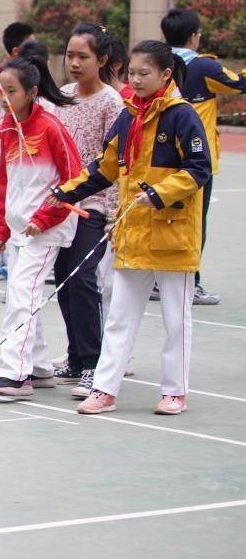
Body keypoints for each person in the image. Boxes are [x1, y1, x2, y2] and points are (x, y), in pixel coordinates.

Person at [53, 41, 210, 417]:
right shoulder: (129, 116)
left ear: (165, 75)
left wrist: (159, 193)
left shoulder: (182, 115)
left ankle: (175, 391)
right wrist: (65, 191)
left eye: (144, 74)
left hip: (173, 236)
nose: (135, 81)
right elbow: (105, 167)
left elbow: (198, 169)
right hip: (132, 234)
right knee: (120, 315)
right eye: (132, 74)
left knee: (176, 318)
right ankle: (105, 389)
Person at [0, 50, 81, 399]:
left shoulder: (51, 127)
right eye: (0, 90)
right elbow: (5, 183)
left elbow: (73, 181)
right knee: (21, 294)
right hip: (19, 229)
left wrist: (44, 219)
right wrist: (1, 230)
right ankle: (39, 368)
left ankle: (14, 374)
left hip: (47, 230)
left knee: (22, 294)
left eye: (12, 91)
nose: (4, 98)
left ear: (32, 92)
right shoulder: (9, 129)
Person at [54, 24, 124, 396]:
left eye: (83, 56)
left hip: (94, 204)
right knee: (62, 278)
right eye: (70, 55)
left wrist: (112, 214)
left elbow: (116, 163)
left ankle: (94, 365)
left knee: (82, 278)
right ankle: (76, 357)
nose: (75, 63)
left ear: (102, 60)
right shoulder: (62, 96)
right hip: (63, 204)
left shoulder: (113, 103)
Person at [160, 7, 243, 306]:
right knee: (194, 223)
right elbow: (240, 84)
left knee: (158, 215)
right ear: (194, 37)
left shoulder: (156, 61)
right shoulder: (205, 67)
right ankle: (190, 283)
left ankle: (158, 281)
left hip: (158, 154)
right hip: (196, 159)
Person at [0, 22, 35, 281]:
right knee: (2, 203)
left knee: (10, 203)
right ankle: (0, 262)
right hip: (1, 151)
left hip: (8, 150)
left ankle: (4, 262)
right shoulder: (2, 78)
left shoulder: (5, 78)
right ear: (16, 50)